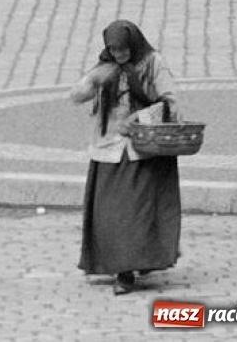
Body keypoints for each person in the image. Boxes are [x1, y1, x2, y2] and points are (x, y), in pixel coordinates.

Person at [69, 20, 182, 296]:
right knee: (110, 216)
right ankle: (117, 263)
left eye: (123, 50)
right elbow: (76, 96)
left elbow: (170, 103)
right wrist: (94, 80)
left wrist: (139, 118)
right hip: (108, 151)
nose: (119, 55)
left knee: (135, 215)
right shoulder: (105, 67)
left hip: (142, 152)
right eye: (114, 49)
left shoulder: (153, 62)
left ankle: (128, 271)